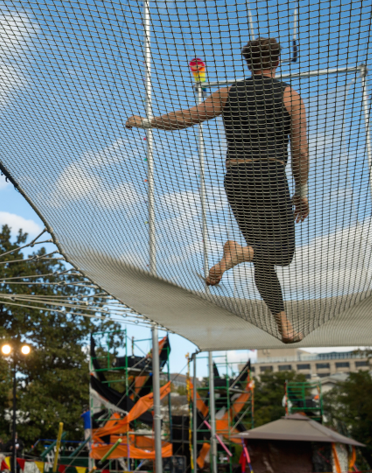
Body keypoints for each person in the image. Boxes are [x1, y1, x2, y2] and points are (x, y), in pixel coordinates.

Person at [125, 37, 308, 343]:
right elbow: (300, 150)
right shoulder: (291, 96)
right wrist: (301, 191)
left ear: (248, 64)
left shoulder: (228, 93)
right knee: (282, 254)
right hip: (270, 176)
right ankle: (235, 252)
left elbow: (189, 117)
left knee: (262, 258)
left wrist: (148, 122)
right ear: (277, 62)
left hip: (236, 178)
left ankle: (284, 327)